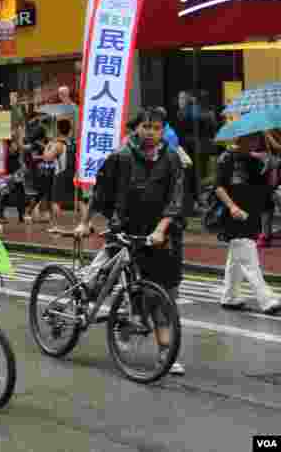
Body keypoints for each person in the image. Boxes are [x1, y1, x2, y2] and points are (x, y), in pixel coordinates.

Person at [91, 107, 186, 375]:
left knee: (164, 295)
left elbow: (176, 199)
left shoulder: (171, 158)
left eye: (156, 128)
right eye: (146, 127)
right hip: (127, 232)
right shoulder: (121, 157)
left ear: (163, 130)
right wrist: (93, 223)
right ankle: (122, 322)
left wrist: (161, 228)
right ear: (136, 128)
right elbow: (101, 194)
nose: (151, 133)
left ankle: (165, 353)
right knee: (108, 283)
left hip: (162, 237)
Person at [215, 131, 281, 315]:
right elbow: (219, 187)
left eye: (257, 139)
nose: (254, 142)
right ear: (240, 138)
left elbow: (267, 187)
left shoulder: (254, 160)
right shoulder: (227, 158)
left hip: (252, 214)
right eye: (251, 138)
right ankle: (267, 300)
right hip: (234, 216)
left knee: (237, 258)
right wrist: (232, 207)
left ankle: (230, 297)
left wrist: (273, 167)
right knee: (249, 258)